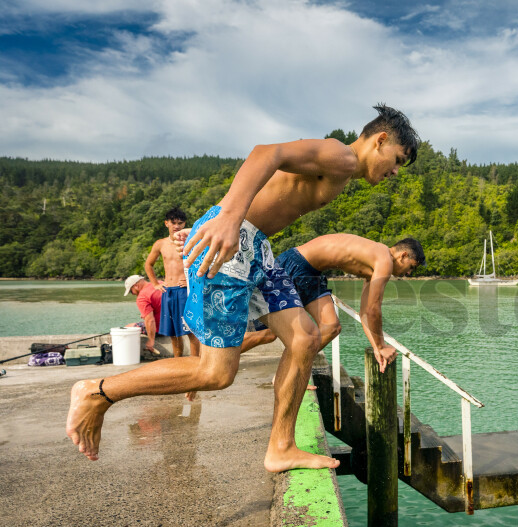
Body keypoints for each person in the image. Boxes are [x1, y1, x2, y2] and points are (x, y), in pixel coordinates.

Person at [67, 104, 419, 473]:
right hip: (235, 241)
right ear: (380, 140)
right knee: (215, 373)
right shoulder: (341, 156)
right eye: (397, 160)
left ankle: (281, 447)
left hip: (258, 248)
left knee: (305, 339)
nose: (395, 172)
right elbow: (267, 153)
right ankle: (99, 391)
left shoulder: (341, 169)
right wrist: (228, 218)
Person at [277, 234, 425, 372]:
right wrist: (381, 345)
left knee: (331, 327)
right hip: (297, 264)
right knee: (267, 335)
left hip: (312, 273)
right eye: (411, 267)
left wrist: (376, 348)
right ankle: (289, 372)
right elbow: (374, 310)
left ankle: (291, 372)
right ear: (403, 255)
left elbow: (366, 313)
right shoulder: (384, 260)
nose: (409, 273)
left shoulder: (376, 264)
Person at [144, 207, 201, 358]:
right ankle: (178, 362)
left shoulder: (191, 241)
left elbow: (202, 263)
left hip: (185, 291)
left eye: (180, 223)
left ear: (184, 224)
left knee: (191, 331)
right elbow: (148, 264)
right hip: (168, 291)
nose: (177, 226)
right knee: (174, 333)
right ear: (166, 223)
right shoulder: (160, 244)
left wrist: (191, 282)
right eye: (173, 222)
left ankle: (195, 364)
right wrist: (155, 284)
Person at [123, 274, 162, 354]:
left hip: (160, 328)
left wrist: (151, 341)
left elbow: (150, 321)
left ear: (136, 286)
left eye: (131, 291)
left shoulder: (142, 297)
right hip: (173, 323)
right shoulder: (159, 283)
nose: (133, 294)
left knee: (127, 327)